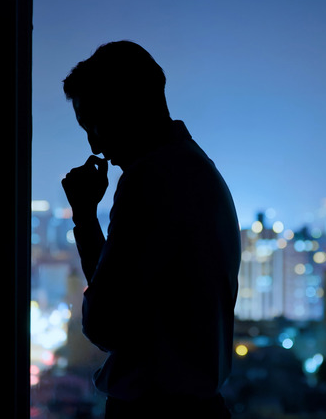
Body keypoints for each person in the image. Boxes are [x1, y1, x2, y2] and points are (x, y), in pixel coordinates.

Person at [60, 41, 241, 418]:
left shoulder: (151, 179)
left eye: (93, 123)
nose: (94, 143)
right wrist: (87, 219)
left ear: (125, 107)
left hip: (156, 411)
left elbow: (106, 324)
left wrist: (84, 219)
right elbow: (125, 297)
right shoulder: (197, 170)